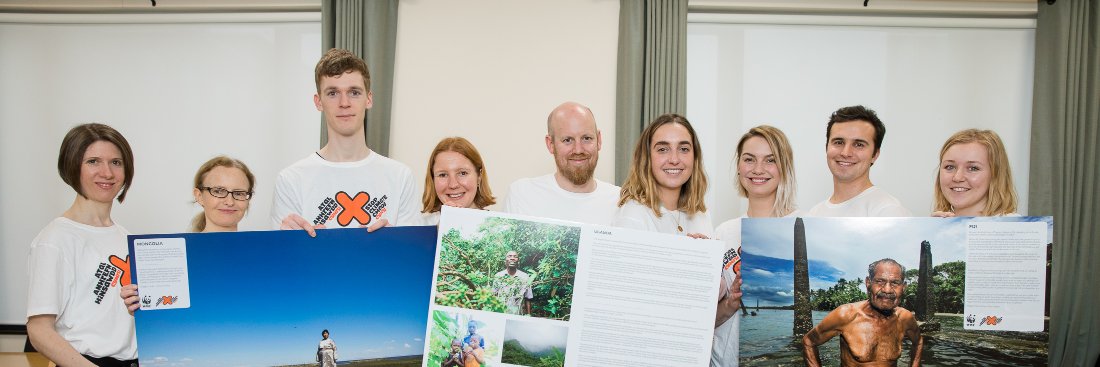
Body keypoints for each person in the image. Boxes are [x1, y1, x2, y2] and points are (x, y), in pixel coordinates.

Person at [272, 48, 420, 236]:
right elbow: (281, 255)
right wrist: (289, 242)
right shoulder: (291, 180)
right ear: (318, 102)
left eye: (354, 92)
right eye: (333, 93)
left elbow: (408, 253)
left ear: (369, 99)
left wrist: (393, 242)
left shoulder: (401, 177)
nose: (344, 103)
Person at [26, 123, 138, 367]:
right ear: (72, 166)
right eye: (93, 162)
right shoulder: (54, 239)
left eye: (116, 162)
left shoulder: (127, 238)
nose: (107, 173)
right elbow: (38, 330)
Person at [711, 125, 800, 367]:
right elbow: (706, 320)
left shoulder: (804, 224)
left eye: (770, 160)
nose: (758, 169)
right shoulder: (722, 232)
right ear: (739, 166)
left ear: (784, 167)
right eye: (749, 159)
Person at [120, 156, 256, 313]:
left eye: (239, 193)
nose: (230, 201)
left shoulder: (261, 256)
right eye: (219, 191)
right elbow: (170, 317)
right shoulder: (169, 259)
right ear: (199, 196)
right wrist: (142, 309)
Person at [503, 102, 620, 225]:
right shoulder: (522, 195)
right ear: (550, 144)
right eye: (567, 140)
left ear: (599, 140)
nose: (578, 150)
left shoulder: (621, 202)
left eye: (586, 138)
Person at [802, 259, 923, 367]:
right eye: (880, 281)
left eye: (895, 283)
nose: (887, 290)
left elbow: (918, 342)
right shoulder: (846, 315)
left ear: (903, 287)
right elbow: (809, 341)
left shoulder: (905, 318)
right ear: (868, 283)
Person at [614, 113, 712, 237]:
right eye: (663, 149)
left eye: (684, 149)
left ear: (695, 157)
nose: (674, 160)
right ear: (647, 158)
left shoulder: (702, 215)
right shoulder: (633, 215)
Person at [806, 105, 911, 217]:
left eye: (859, 144)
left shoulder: (888, 211)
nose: (845, 153)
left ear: (875, 155)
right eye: (839, 142)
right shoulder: (814, 214)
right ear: (826, 147)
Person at [931, 129, 1019, 217]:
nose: (957, 177)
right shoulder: (936, 223)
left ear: (995, 174)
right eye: (950, 167)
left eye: (973, 168)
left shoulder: (1013, 224)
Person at [421, 137, 496, 225]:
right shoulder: (418, 228)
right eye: (443, 175)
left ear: (479, 176)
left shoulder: (501, 228)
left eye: (463, 173)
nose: (453, 185)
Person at [492, 250, 533, 315]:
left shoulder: (525, 277)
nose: (512, 258)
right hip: (501, 314)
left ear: (518, 261)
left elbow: (528, 298)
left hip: (518, 315)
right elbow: (494, 296)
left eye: (515, 256)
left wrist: (529, 316)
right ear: (505, 260)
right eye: (509, 256)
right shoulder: (498, 276)